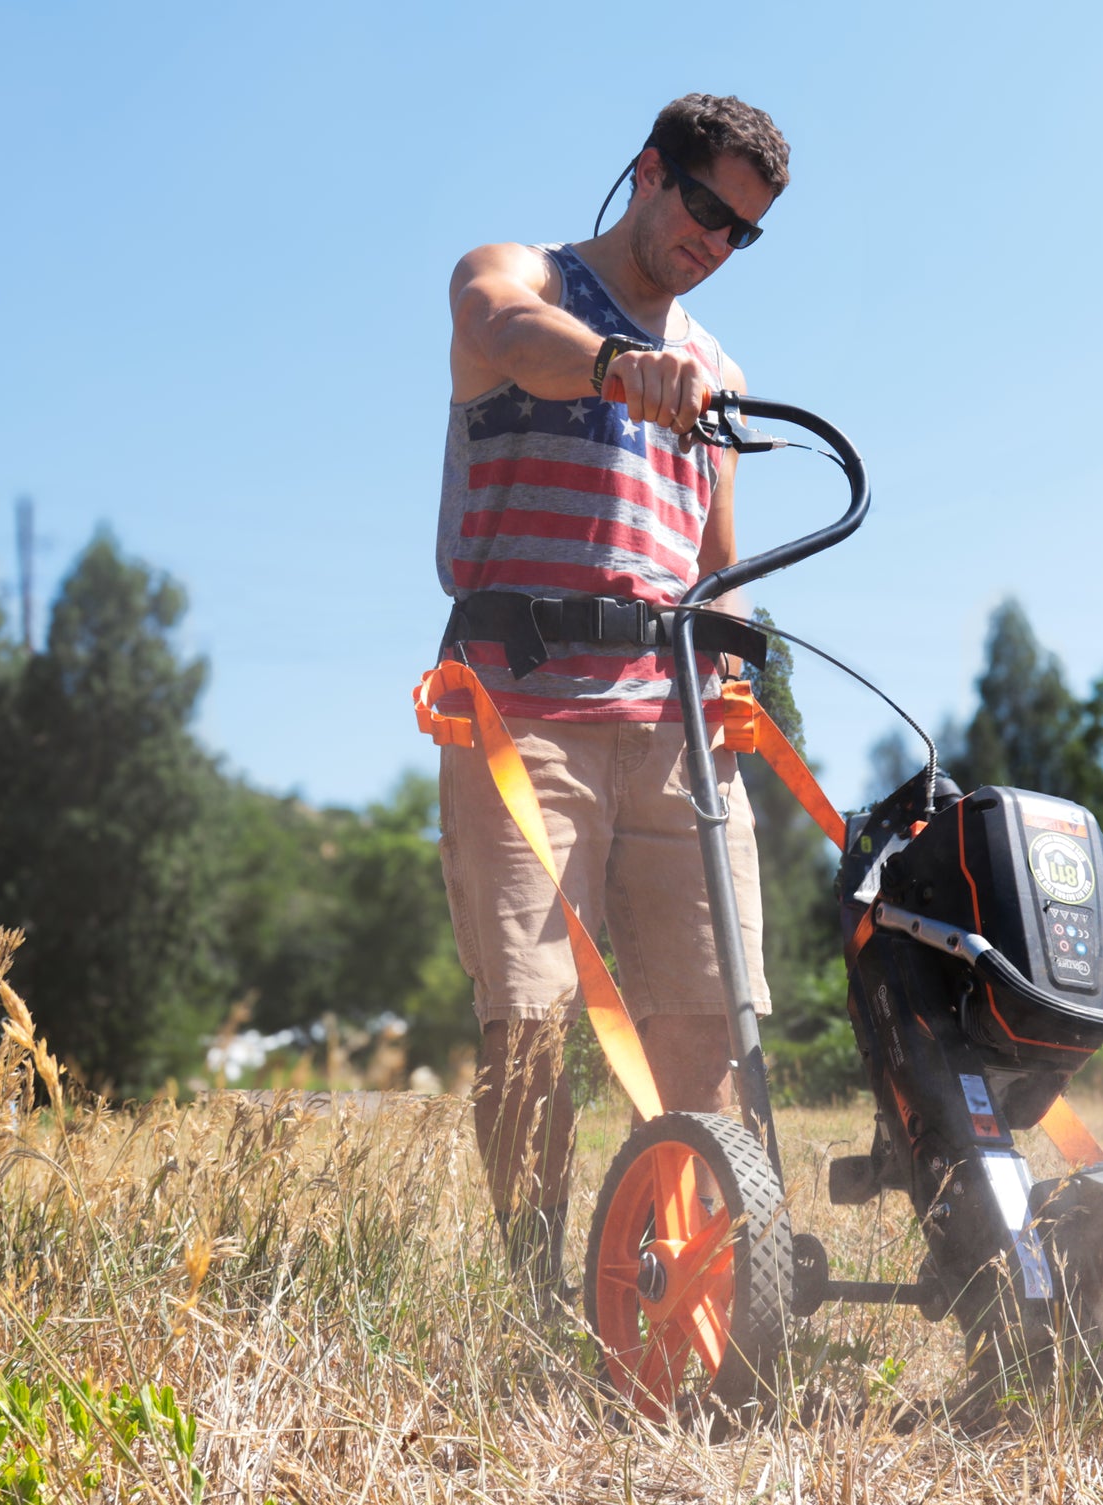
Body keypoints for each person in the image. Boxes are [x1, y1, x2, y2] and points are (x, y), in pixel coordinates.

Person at [433, 93, 789, 1282]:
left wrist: (739, 670)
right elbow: (504, 327)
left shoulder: (717, 372)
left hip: (676, 734)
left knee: (705, 1036)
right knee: (532, 1029)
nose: (712, 244)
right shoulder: (515, 273)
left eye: (740, 232)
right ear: (646, 172)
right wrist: (616, 368)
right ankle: (539, 1298)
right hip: (523, 720)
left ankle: (683, 1295)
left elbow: (714, 563)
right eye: (702, 208)